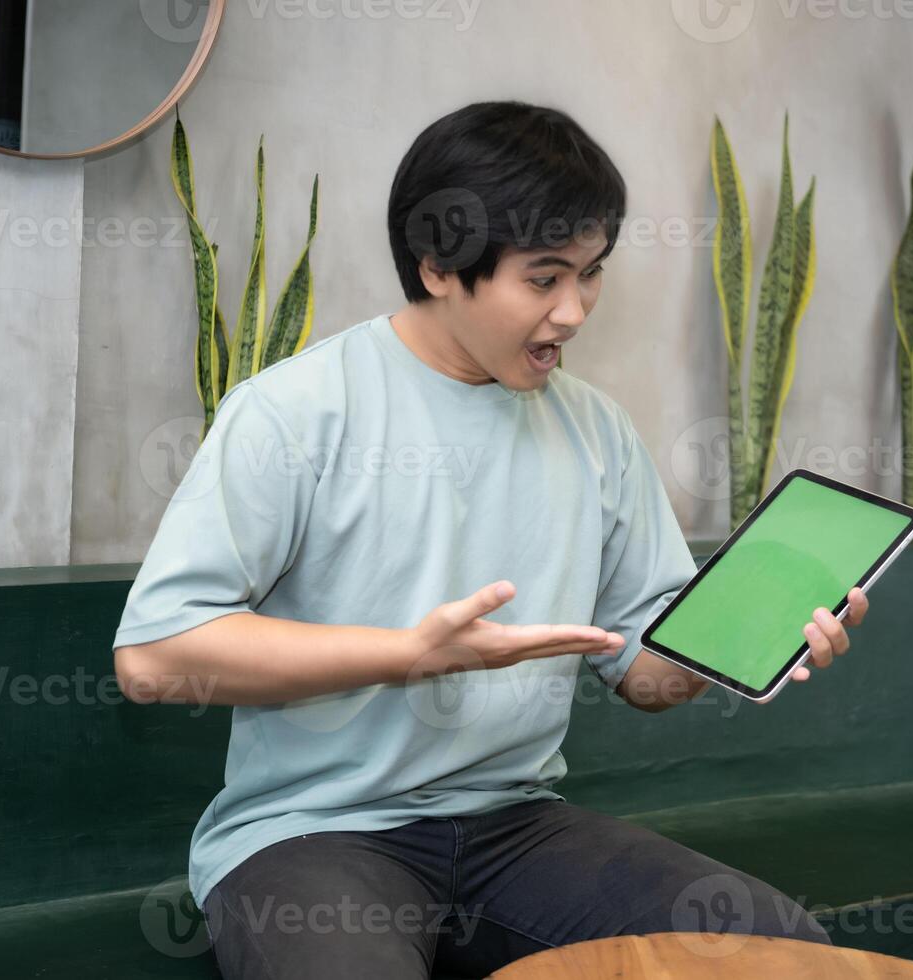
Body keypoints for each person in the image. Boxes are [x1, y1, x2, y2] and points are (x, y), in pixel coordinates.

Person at [112, 100, 870, 979]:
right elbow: (155, 657)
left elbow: (645, 676)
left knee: (780, 954)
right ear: (439, 263)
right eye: (545, 279)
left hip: (517, 825)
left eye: (591, 274)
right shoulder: (293, 412)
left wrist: (751, 633)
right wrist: (408, 655)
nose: (576, 310)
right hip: (313, 833)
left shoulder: (599, 432)